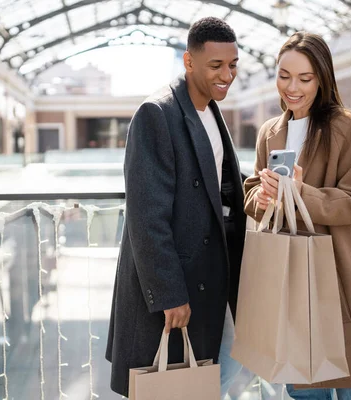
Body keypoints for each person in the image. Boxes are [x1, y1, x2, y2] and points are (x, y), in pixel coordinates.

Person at [105, 17, 246, 399]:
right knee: (167, 387)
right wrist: (169, 293)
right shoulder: (157, 113)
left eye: (232, 65)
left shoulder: (213, 112)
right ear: (189, 62)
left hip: (210, 278)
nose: (227, 75)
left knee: (202, 381)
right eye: (216, 66)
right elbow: (146, 216)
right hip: (175, 287)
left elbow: (223, 189)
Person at [244, 31, 351, 399]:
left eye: (305, 78)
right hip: (291, 283)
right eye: (284, 75)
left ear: (322, 78)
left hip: (337, 281)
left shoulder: (344, 129)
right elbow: (251, 191)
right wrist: (264, 195)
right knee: (304, 390)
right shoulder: (270, 132)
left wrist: (300, 193)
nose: (292, 87)